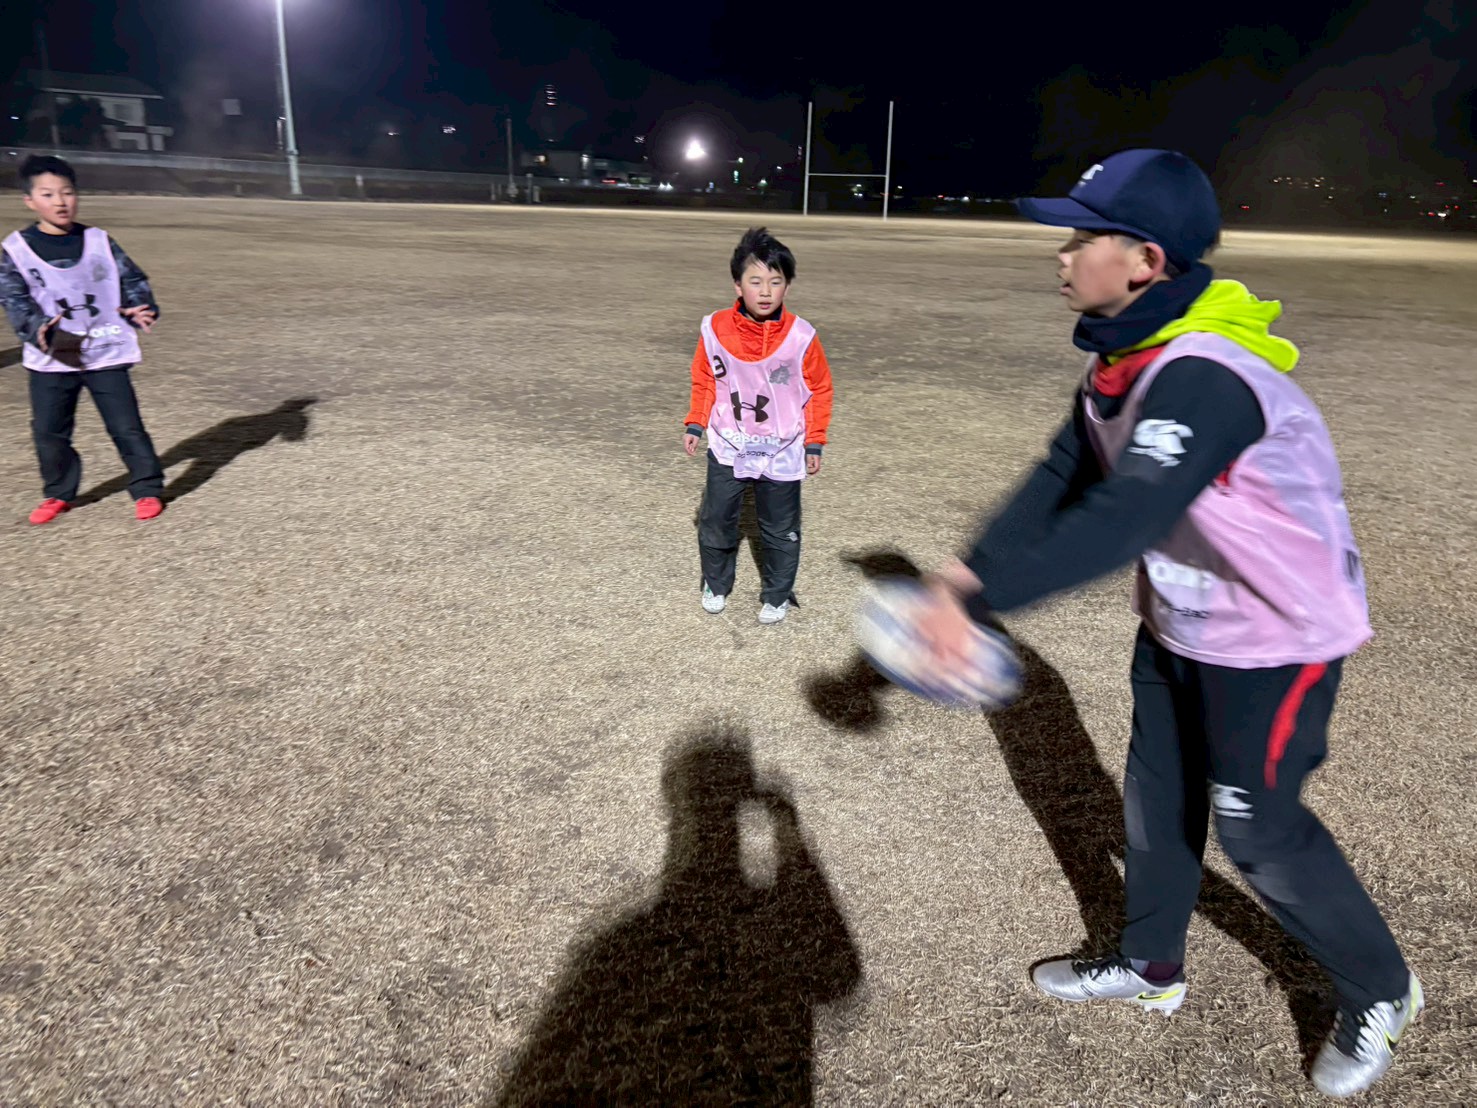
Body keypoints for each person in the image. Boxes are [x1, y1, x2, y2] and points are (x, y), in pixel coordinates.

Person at [918, 150, 1420, 1099]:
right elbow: (1062, 477)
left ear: (1145, 260)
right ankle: (1150, 965)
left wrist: (974, 603)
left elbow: (1127, 515)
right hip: (1181, 623)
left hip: (1276, 640)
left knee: (1257, 828)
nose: (1062, 254)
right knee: (1156, 804)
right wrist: (962, 575)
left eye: (1083, 237)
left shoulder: (1203, 375)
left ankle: (1382, 988)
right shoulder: (1123, 360)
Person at [2, 154, 166, 524]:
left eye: (67, 192)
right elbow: (14, 299)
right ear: (30, 201)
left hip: (104, 348)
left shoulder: (99, 241)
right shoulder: (15, 249)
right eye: (47, 194)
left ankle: (147, 488)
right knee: (49, 432)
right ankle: (58, 493)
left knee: (126, 426)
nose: (60, 202)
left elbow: (131, 280)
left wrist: (139, 307)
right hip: (53, 355)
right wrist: (40, 329)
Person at [684, 227, 833, 624]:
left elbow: (819, 389)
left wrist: (814, 442)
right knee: (717, 519)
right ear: (738, 284)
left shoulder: (802, 336)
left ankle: (777, 594)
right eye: (755, 281)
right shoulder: (714, 328)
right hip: (729, 443)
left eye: (775, 281)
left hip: (782, 449)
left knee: (780, 528)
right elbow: (705, 379)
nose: (765, 291)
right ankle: (716, 583)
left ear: (787, 286)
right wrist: (696, 423)